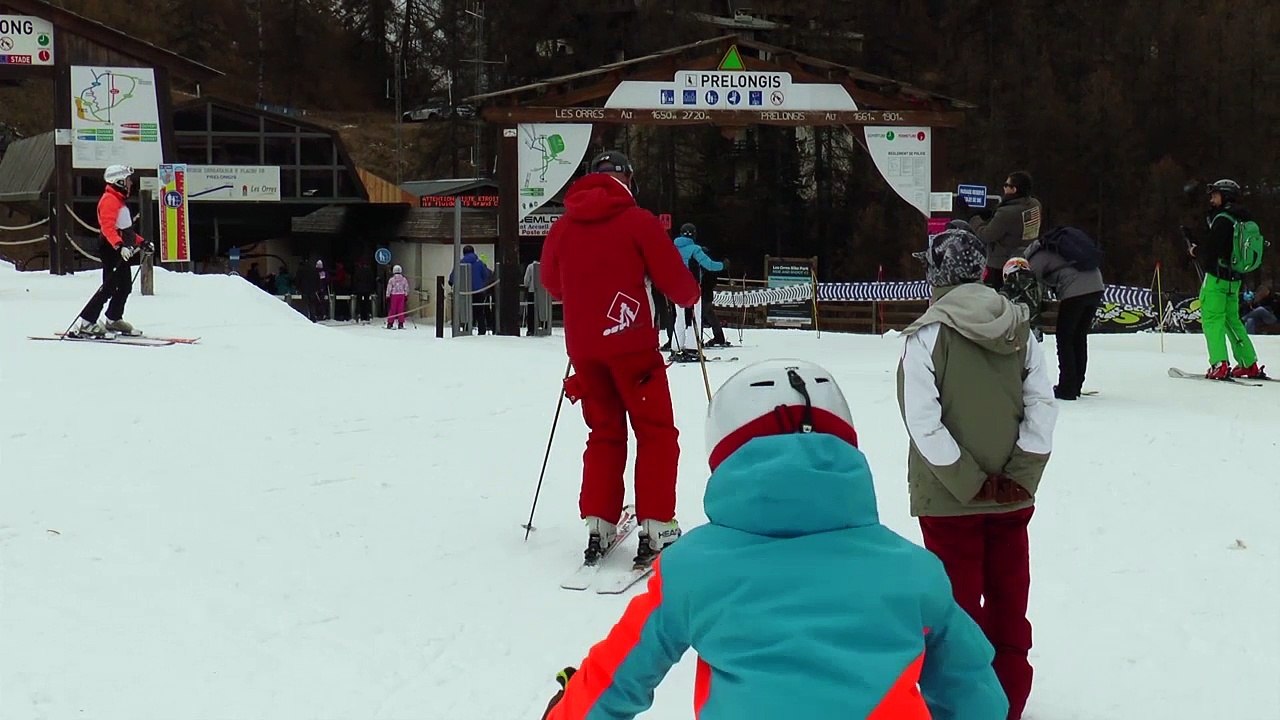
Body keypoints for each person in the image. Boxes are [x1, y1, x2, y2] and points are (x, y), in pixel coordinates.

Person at [540, 360, 1008, 720]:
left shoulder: (692, 569)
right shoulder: (915, 574)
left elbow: (615, 679)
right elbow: (975, 694)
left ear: (726, 458)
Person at [897, 224, 1058, 720]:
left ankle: (964, 705)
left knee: (958, 609)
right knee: (1009, 601)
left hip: (950, 502)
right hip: (1012, 499)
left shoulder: (926, 336)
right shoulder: (1020, 328)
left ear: (935, 273)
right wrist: (1019, 474)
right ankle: (1009, 701)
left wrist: (968, 481)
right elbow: (1042, 405)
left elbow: (924, 423)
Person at [539, 150, 700, 567]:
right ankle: (657, 525)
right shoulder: (638, 221)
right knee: (656, 432)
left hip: (585, 349)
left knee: (604, 433)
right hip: (632, 348)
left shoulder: (562, 226)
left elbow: (551, 282)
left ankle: (599, 522)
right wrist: (690, 295)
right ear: (627, 179)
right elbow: (676, 282)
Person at [1189, 179, 1266, 379]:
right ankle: (1249, 363)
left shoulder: (1223, 218)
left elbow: (1212, 247)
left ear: (1224, 195)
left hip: (1216, 278)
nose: (1212, 199)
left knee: (1212, 319)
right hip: (1235, 279)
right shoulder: (1243, 218)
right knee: (1233, 320)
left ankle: (1219, 363)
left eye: (1215, 195)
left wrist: (1196, 250)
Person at [69, 164, 150, 338]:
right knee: (109, 287)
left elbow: (126, 230)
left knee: (125, 286)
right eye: (128, 180)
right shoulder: (109, 200)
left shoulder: (118, 200)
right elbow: (108, 228)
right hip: (111, 249)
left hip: (121, 249)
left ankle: (113, 318)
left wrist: (142, 243)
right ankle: (86, 322)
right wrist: (118, 246)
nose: (130, 184)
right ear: (119, 181)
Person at [1024, 228, 1106, 400]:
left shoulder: (1037, 257)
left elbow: (1029, 283)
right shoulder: (1057, 249)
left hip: (1076, 292)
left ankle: (1067, 388)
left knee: (1065, 338)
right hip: (1096, 286)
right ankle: (1076, 384)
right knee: (1079, 337)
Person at [968, 171, 1043, 291]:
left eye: (1006, 185)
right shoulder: (1035, 204)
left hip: (1001, 264)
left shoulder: (1007, 213)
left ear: (1014, 189)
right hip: (1026, 259)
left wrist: (973, 218)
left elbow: (986, 235)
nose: (1004, 188)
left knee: (997, 297)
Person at [671, 223, 725, 360]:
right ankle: (693, 347)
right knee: (694, 316)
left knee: (680, 316)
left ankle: (676, 346)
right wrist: (723, 265)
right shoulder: (695, 249)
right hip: (693, 287)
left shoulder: (671, 248)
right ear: (694, 234)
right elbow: (710, 265)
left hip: (676, 287)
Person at [449, 245, 494, 334]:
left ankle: (466, 328)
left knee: (465, 310)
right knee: (480, 311)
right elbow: (486, 275)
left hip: (465, 291)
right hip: (479, 291)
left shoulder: (460, 263)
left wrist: (451, 282)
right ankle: (482, 330)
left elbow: (453, 276)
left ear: (464, 253)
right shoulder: (480, 263)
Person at [385, 264, 410, 329]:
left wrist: (387, 295)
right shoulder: (404, 279)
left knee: (393, 309)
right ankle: (401, 323)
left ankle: (390, 323)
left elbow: (389, 288)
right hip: (401, 295)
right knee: (401, 309)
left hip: (394, 295)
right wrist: (406, 294)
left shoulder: (392, 279)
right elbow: (406, 287)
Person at [353, 257, 377, 323]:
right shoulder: (369, 271)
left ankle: (359, 314)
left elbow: (355, 280)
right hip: (367, 289)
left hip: (359, 289)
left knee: (359, 302)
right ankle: (367, 315)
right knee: (367, 302)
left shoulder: (358, 271)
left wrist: (355, 288)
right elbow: (372, 280)